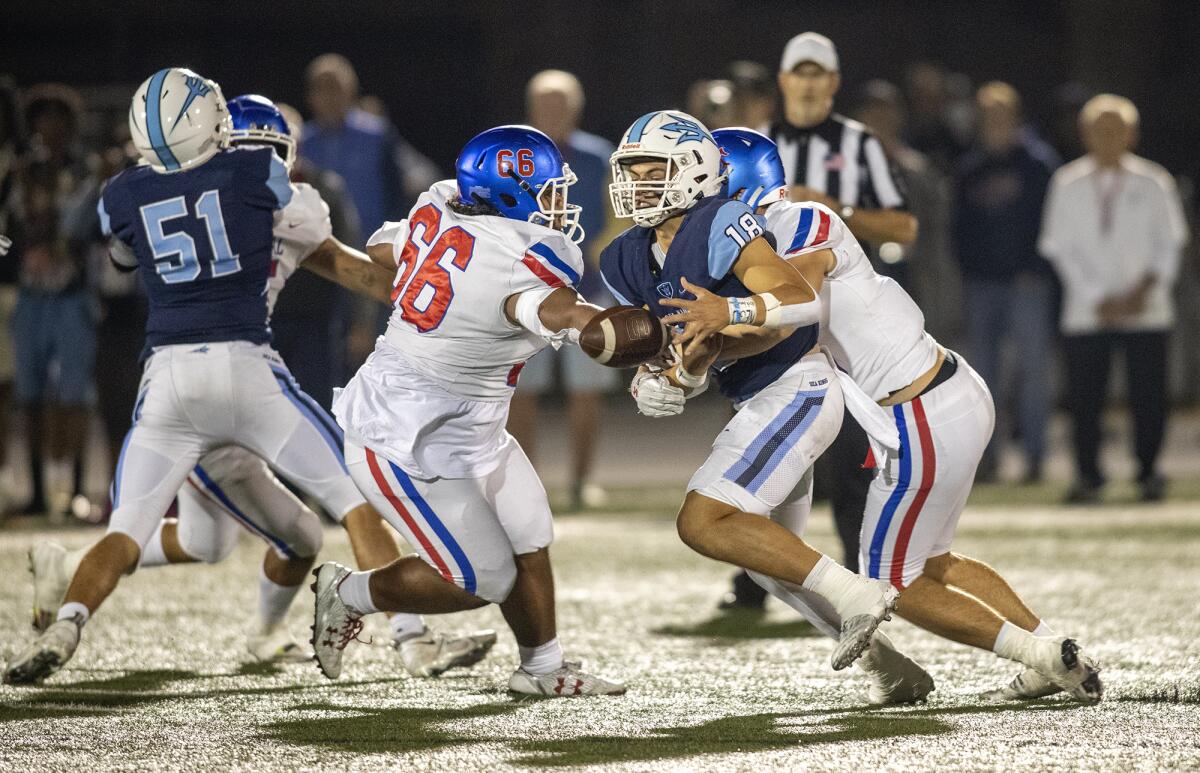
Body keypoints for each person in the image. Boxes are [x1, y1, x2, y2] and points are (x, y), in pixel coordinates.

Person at [1, 71, 475, 686]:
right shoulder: (272, 187)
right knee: (351, 501)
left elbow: (119, 250)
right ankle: (413, 639)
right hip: (247, 372)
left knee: (204, 535)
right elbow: (359, 270)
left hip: (169, 381)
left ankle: (73, 615)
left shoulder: (130, 191)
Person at [712, 127, 1103, 704]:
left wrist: (706, 330)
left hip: (919, 411)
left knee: (894, 581)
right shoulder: (768, 239)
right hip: (939, 396)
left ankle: (1043, 657)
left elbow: (785, 313)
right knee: (934, 562)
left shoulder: (796, 222)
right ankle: (1047, 646)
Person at [316, 125, 626, 697]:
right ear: (511, 193)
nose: (560, 204)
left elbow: (387, 249)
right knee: (482, 576)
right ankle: (348, 594)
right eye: (549, 189)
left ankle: (541, 669)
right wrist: (628, 338)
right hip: (405, 437)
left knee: (529, 529)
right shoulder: (530, 258)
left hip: (469, 422)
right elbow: (559, 312)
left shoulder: (440, 201)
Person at [600, 109, 899, 674]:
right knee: (764, 560)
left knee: (704, 521)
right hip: (756, 397)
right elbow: (677, 341)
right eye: (631, 172)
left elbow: (796, 301)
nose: (636, 184)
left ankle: (857, 593)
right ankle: (889, 667)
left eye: (651, 170)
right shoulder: (625, 255)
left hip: (797, 386)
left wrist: (727, 310)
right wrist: (656, 376)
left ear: (692, 170)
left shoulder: (721, 221)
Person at [720, 32, 918, 611]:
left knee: (850, 455)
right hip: (773, 324)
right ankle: (753, 578)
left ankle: (861, 578)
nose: (807, 83)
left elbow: (905, 227)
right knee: (763, 446)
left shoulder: (857, 142)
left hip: (838, 318)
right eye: (797, 73)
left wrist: (834, 210)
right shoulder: (754, 143)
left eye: (818, 73)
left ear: (832, 82)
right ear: (783, 80)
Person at [1039, 94, 1189, 503]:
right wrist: (1097, 297)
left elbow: (1170, 244)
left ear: (1132, 134)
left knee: (1149, 395)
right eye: (1100, 130)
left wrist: (1142, 292)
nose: (1108, 137)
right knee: (1085, 396)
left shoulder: (1155, 181)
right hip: (1088, 312)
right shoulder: (1066, 182)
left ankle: (1148, 471)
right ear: (1086, 133)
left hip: (1148, 309)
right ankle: (1088, 475)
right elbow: (1058, 247)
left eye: (1116, 129)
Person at [507, 70, 618, 510]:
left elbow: (618, 219)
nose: (553, 112)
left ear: (576, 107)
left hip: (588, 285)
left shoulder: (598, 156)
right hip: (526, 285)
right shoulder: (514, 156)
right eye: (545, 103)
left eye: (561, 103)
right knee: (520, 390)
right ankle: (524, 481)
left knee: (586, 389)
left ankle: (582, 480)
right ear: (531, 108)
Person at [952, 82, 1059, 483]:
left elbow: (1054, 222)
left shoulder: (1038, 163)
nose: (995, 124)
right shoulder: (970, 167)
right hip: (982, 284)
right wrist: (969, 268)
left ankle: (1034, 457)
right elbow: (958, 227)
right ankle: (989, 460)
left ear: (1016, 118)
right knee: (982, 378)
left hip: (1026, 282)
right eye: (988, 117)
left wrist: (1038, 268)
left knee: (1033, 370)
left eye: (1002, 116)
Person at [10, 84, 96, 518]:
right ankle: (39, 492)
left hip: (70, 296)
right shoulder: (19, 172)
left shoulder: (86, 171)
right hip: (30, 297)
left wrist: (64, 252)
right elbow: (2, 232)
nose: (50, 125)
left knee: (73, 394)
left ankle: (77, 489)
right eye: (42, 117)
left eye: (58, 117)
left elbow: (98, 227)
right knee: (30, 393)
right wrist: (18, 253)